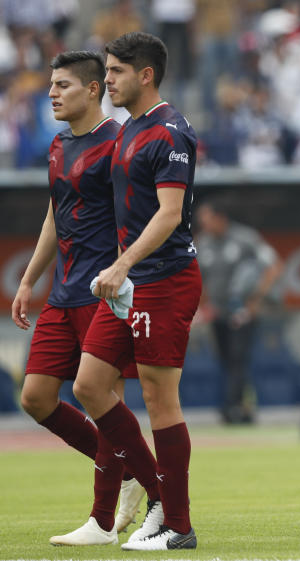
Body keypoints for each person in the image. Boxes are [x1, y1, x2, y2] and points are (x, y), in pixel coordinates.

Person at [69, 31, 201, 551]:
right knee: (89, 386)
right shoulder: (129, 130)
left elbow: (170, 215)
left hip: (164, 279)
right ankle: (157, 495)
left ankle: (178, 526)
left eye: (116, 71)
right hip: (131, 284)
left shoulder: (169, 132)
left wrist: (121, 264)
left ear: (145, 74)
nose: (108, 80)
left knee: (158, 398)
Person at [13, 50, 145, 546]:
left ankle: (103, 522)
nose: (52, 93)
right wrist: (29, 279)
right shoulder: (57, 145)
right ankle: (131, 467)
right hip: (61, 293)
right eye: (51, 85)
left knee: (104, 400)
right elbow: (55, 215)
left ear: (93, 90)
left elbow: (135, 215)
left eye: (63, 85)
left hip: (102, 293)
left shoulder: (119, 144)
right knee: (37, 398)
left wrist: (124, 273)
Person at [195, 199, 285, 424]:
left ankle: (232, 408)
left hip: (242, 312)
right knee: (226, 360)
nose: (204, 226)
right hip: (218, 313)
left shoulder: (245, 238)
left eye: (207, 221)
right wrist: (203, 305)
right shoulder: (202, 244)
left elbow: (274, 265)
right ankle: (242, 407)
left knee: (238, 359)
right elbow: (194, 277)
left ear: (220, 218)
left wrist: (255, 300)